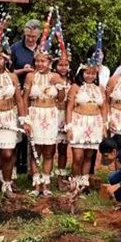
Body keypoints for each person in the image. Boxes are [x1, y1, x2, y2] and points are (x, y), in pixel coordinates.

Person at [0, 23, 25, 195]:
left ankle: (7, 183)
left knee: (8, 153)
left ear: (5, 59)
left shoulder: (13, 76)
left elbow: (19, 100)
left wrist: (24, 119)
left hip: (9, 116)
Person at [22, 37, 66, 195]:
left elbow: (61, 99)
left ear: (49, 62)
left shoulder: (56, 76)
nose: (40, 64)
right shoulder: (30, 76)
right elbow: (25, 98)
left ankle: (46, 184)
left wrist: (59, 86)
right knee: (35, 150)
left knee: (49, 151)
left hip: (50, 114)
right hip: (35, 114)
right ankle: (36, 185)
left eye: (43, 61)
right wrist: (25, 119)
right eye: (38, 61)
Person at [66, 45, 108, 191]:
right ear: (82, 72)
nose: (90, 76)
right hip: (79, 123)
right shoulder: (75, 87)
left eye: (93, 74)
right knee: (78, 156)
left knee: (89, 156)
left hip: (94, 124)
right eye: (87, 73)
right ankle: (75, 182)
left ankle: (84, 183)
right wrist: (69, 126)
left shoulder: (100, 89)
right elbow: (69, 107)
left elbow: (104, 108)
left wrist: (104, 125)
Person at [11, 19, 42, 175]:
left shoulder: (43, 48)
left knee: (36, 133)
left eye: (34, 36)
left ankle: (33, 170)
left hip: (38, 97)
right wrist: (23, 71)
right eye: (28, 35)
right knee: (20, 131)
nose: (31, 39)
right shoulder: (15, 48)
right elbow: (8, 71)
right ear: (24, 32)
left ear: (39, 35)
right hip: (19, 94)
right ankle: (17, 167)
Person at [54, 53, 72, 189]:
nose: (63, 67)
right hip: (51, 115)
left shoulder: (73, 80)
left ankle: (60, 178)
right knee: (46, 149)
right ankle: (42, 178)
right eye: (60, 65)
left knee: (62, 149)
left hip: (65, 116)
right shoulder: (51, 78)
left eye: (66, 65)